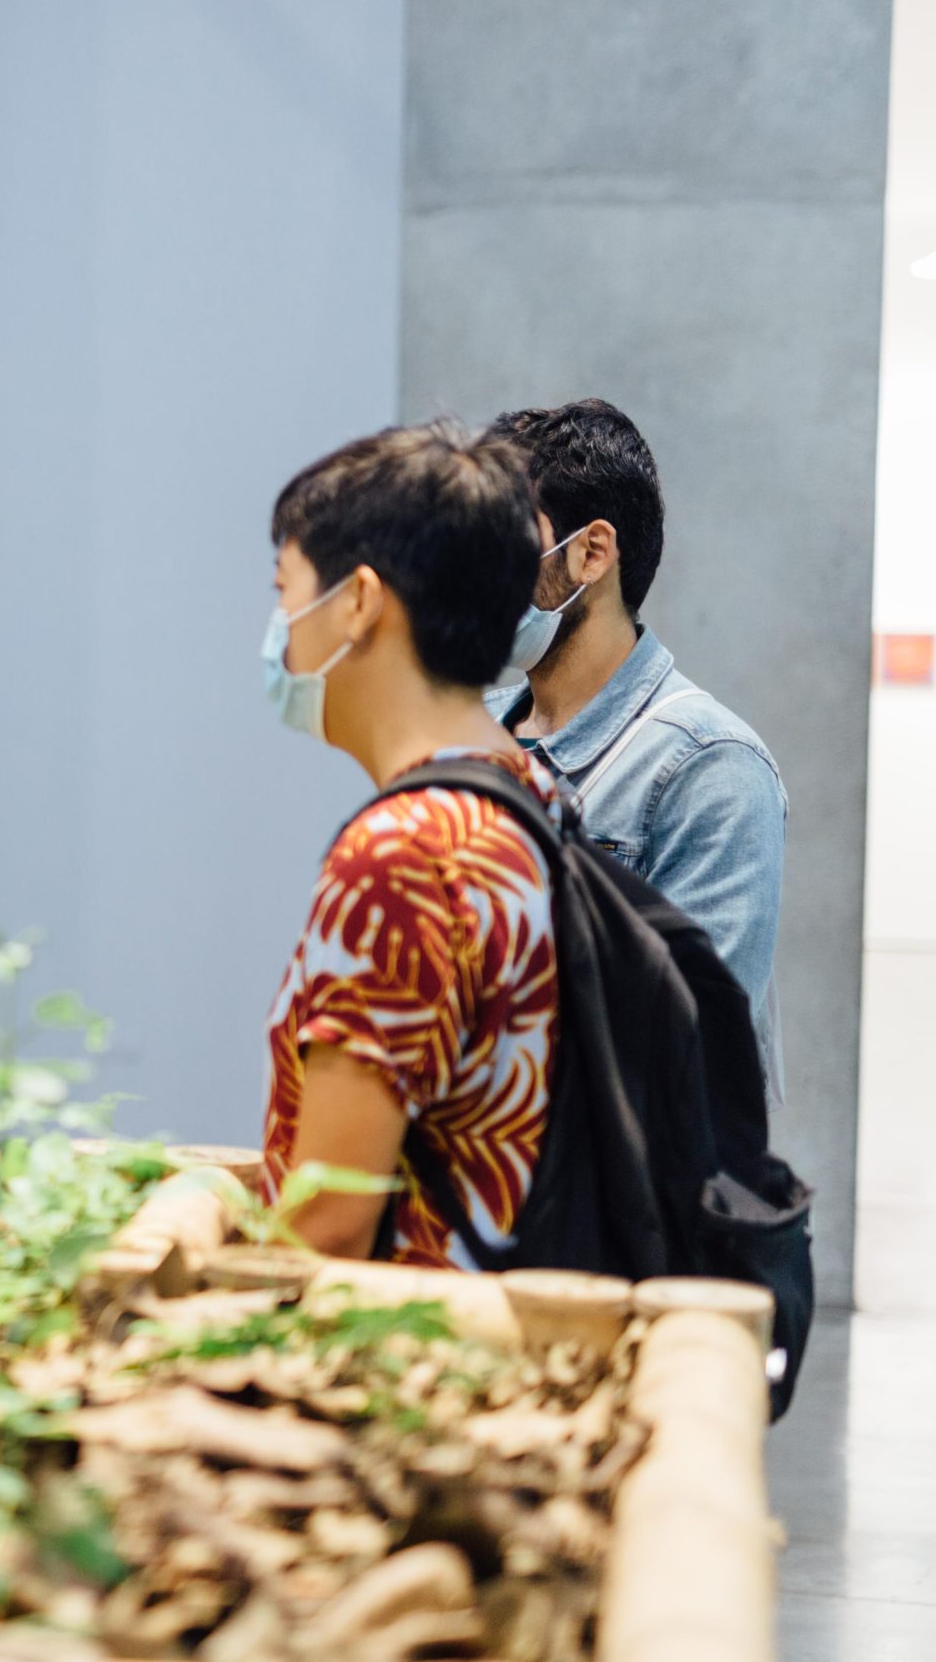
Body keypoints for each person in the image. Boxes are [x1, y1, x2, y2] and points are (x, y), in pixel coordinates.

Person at [258, 421, 560, 1268]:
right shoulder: (527, 793)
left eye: (286, 589)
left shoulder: (403, 854)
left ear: (357, 601)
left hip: (399, 1352)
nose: (280, 628)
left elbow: (331, 1225)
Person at [485, 399, 787, 1101]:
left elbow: (688, 1062)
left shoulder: (709, 768)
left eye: (502, 544)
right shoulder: (469, 735)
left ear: (591, 551)